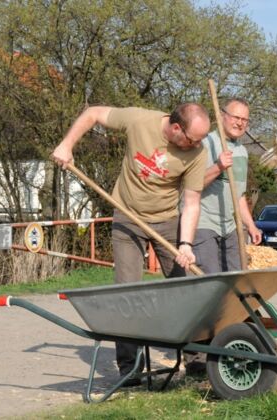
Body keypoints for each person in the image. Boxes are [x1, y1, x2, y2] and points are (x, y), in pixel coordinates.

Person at [52, 103, 210, 386]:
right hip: (127, 217)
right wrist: (66, 145)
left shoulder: (197, 153)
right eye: (193, 138)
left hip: (167, 221)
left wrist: (185, 243)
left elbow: (192, 202)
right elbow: (93, 114)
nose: (197, 144)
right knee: (127, 292)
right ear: (176, 128)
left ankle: (198, 363)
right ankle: (130, 367)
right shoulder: (139, 121)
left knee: (186, 290)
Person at [193, 98, 262, 273]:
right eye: (236, 117)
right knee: (211, 279)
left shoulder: (242, 152)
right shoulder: (205, 143)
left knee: (237, 277)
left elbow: (238, 196)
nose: (240, 123)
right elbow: (192, 186)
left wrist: (251, 225)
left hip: (230, 227)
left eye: (244, 120)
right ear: (222, 115)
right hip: (204, 224)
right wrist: (218, 167)